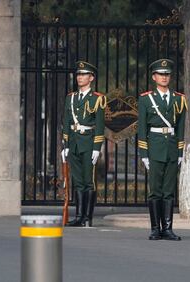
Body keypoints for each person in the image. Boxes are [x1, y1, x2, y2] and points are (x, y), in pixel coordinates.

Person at [137, 58, 187, 240]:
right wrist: (144, 153)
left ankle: (167, 228)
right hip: (155, 148)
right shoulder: (146, 99)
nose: (164, 77)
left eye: (167, 74)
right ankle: (155, 228)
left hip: (172, 148)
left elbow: (181, 127)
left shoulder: (179, 99)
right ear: (154, 77)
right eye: (161, 74)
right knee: (155, 191)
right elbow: (142, 128)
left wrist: (180, 152)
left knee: (168, 191)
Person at [62, 61, 106, 227]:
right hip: (73, 143)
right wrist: (65, 144)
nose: (80, 77)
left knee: (89, 181)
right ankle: (79, 216)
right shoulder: (71, 98)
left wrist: (97, 148)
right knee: (77, 180)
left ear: (91, 78)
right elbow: (66, 122)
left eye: (84, 74)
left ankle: (87, 217)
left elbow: (100, 126)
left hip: (88, 143)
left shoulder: (98, 99)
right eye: (78, 74)